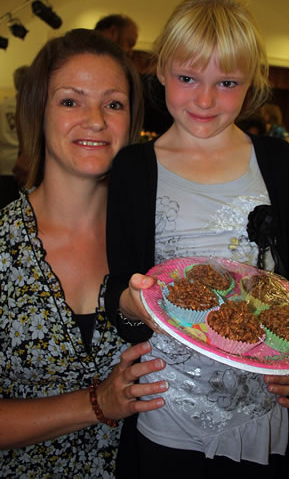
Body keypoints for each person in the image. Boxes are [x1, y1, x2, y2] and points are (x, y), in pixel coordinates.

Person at [105, 0, 289, 479]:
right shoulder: (134, 169)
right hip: (167, 403)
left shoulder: (277, 161)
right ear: (161, 71)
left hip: (261, 403)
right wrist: (133, 302)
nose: (205, 100)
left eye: (227, 82)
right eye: (188, 78)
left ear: (251, 85)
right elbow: (117, 283)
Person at [0, 28, 169, 478]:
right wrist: (96, 403)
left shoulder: (158, 244)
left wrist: (265, 373)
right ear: (38, 110)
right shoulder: (2, 244)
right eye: (71, 100)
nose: (95, 119)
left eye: (113, 103)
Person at [0, 65, 29, 208]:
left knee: (5, 206)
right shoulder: (29, 105)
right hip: (25, 162)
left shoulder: (3, 105)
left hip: (4, 162)